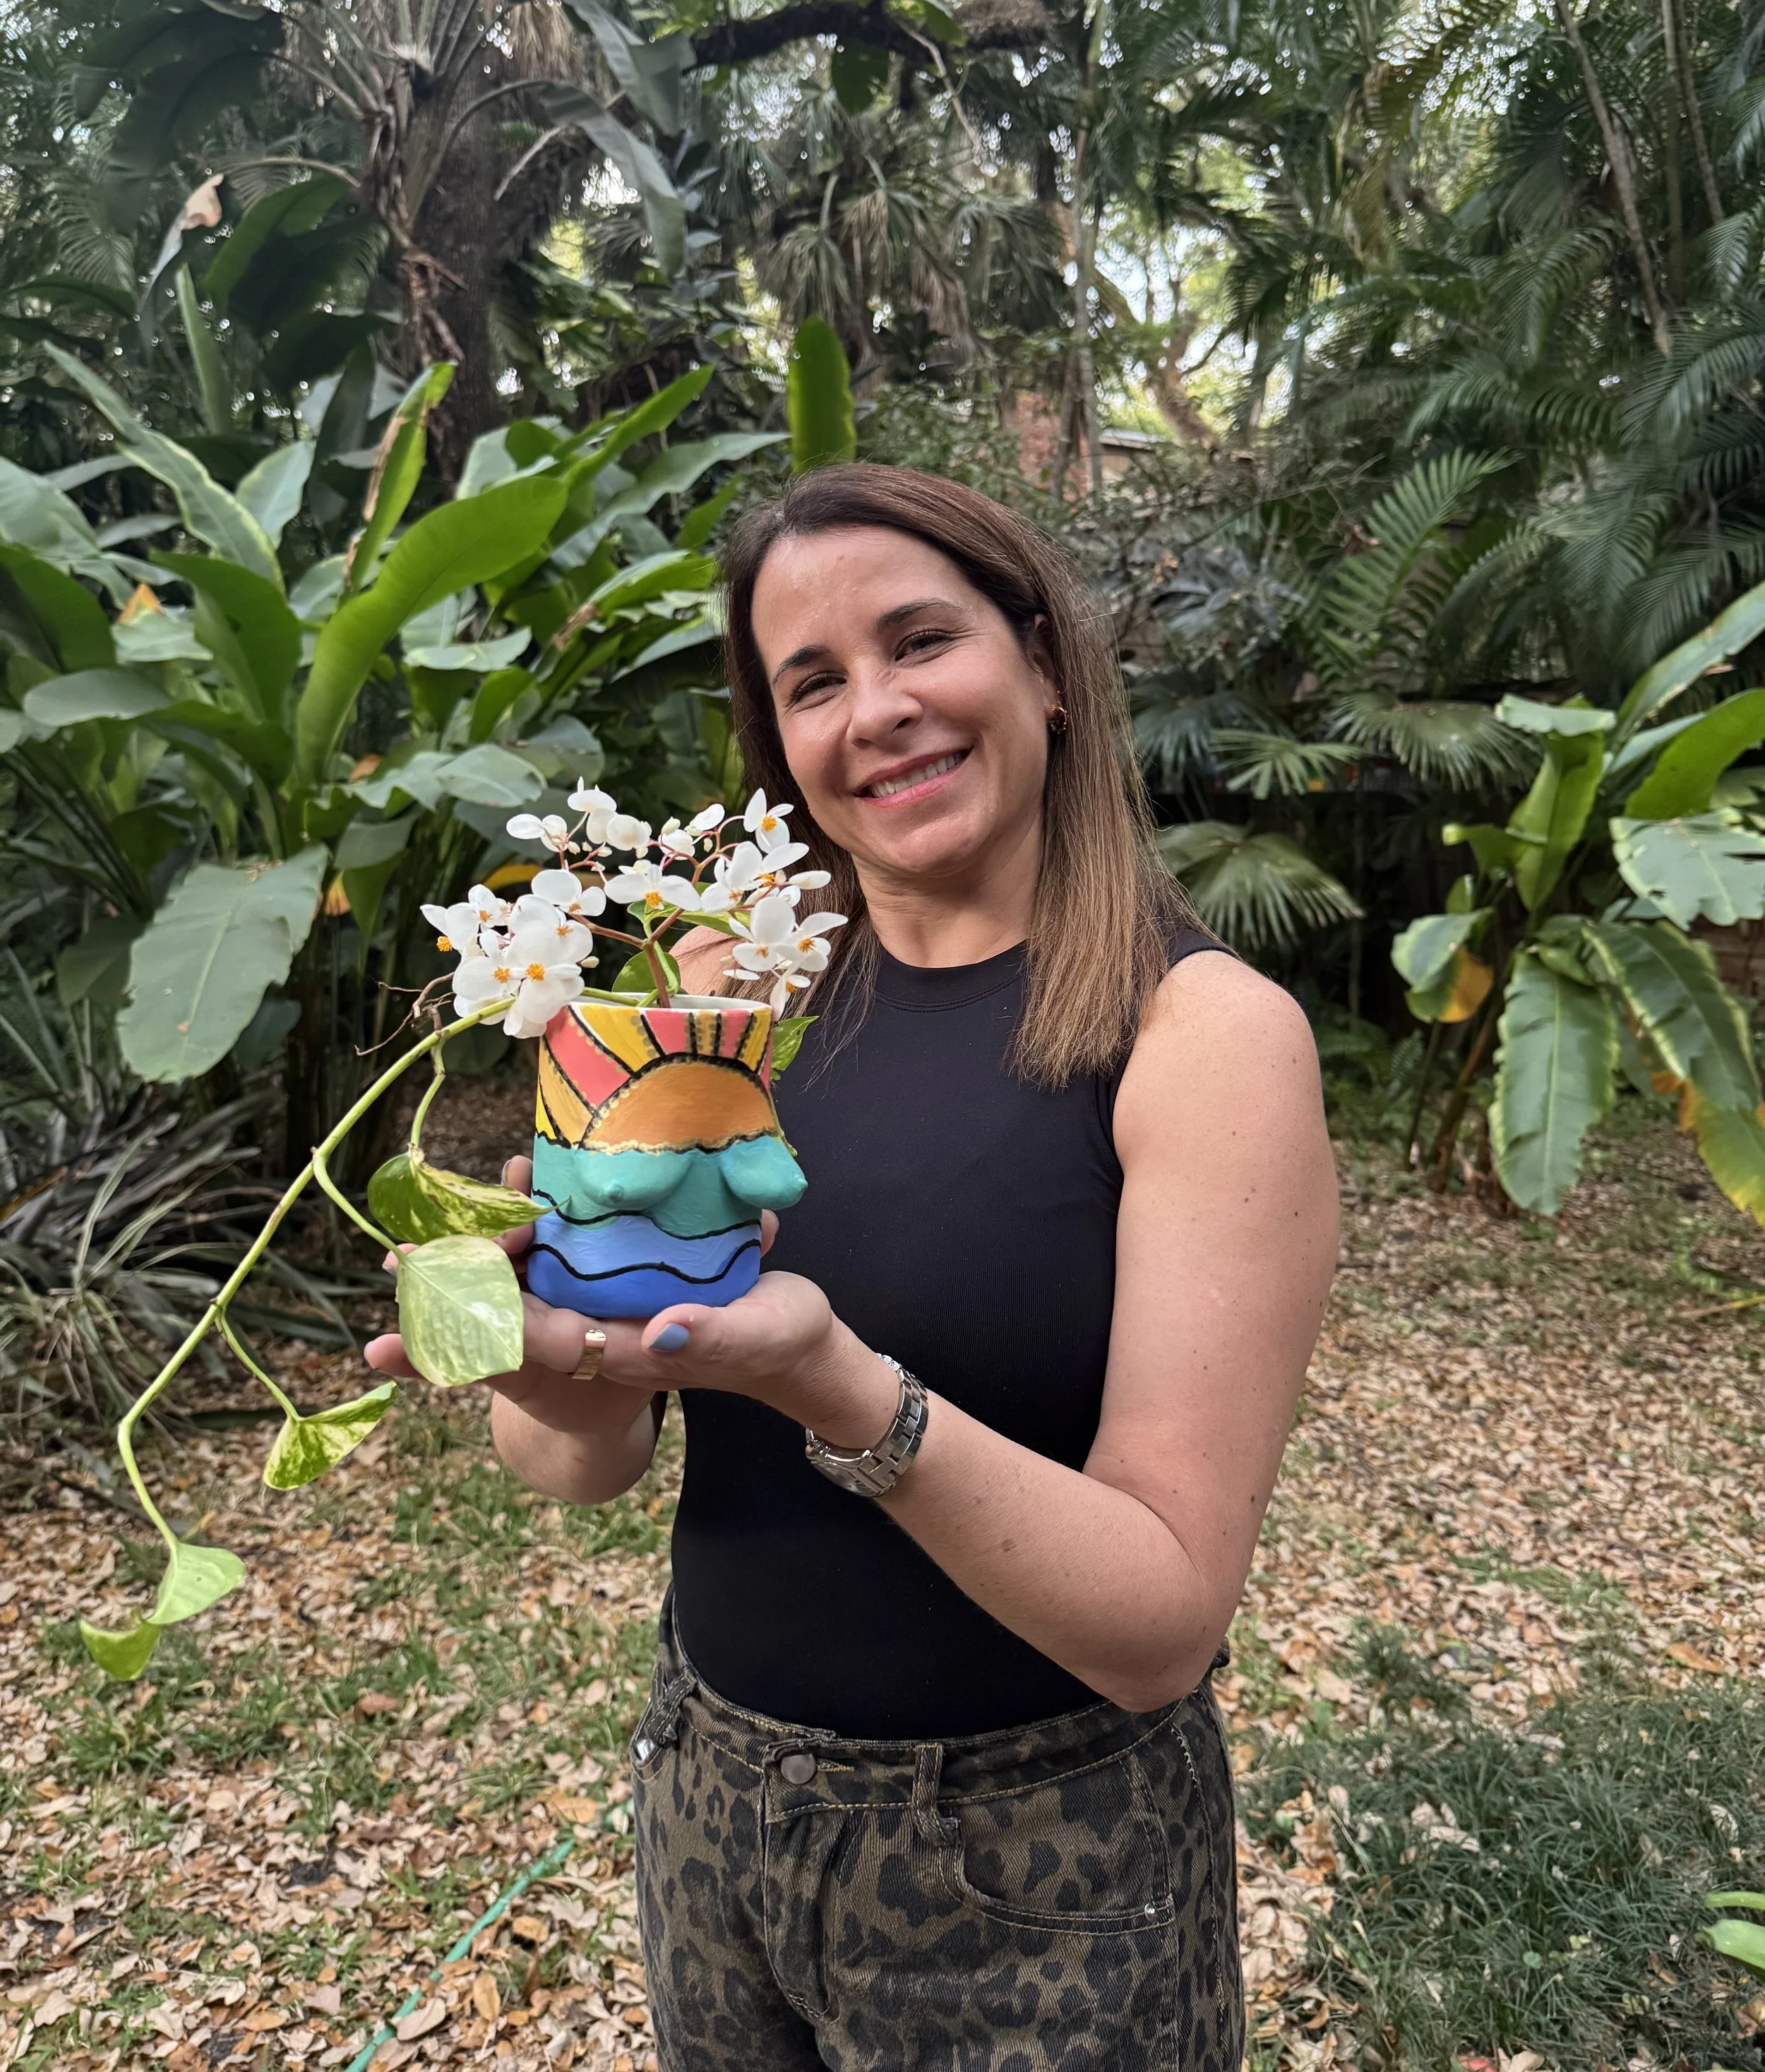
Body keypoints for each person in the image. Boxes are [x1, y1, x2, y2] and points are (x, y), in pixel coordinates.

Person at [367, 465, 1339, 2072]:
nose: (872, 710)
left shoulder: (1199, 1037)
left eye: (916, 641)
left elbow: (1159, 1619)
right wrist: (551, 1368)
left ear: (1039, 661)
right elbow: (576, 1459)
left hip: (1042, 1867)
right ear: (778, 745)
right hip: (707, 1798)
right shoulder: (722, 997)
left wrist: (834, 1388)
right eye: (811, 681)